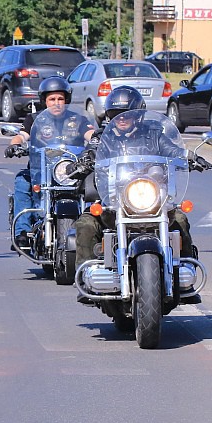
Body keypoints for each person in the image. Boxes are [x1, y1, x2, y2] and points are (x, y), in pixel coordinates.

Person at [72, 86, 199, 286]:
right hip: (113, 201)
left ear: (138, 115)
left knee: (180, 219)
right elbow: (90, 153)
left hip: (151, 200)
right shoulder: (102, 138)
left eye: (126, 115)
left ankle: (185, 269)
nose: (121, 119)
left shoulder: (154, 135)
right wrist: (82, 161)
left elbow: (173, 150)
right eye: (116, 115)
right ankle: (85, 277)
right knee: (85, 224)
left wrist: (190, 157)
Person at [5, 76, 95, 249]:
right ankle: (21, 233)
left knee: (94, 185)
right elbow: (22, 135)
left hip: (72, 172)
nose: (56, 103)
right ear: (44, 101)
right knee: (22, 182)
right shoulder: (35, 119)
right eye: (52, 99)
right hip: (41, 171)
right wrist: (15, 145)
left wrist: (97, 139)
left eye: (60, 99)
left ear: (66, 100)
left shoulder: (77, 120)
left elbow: (89, 134)